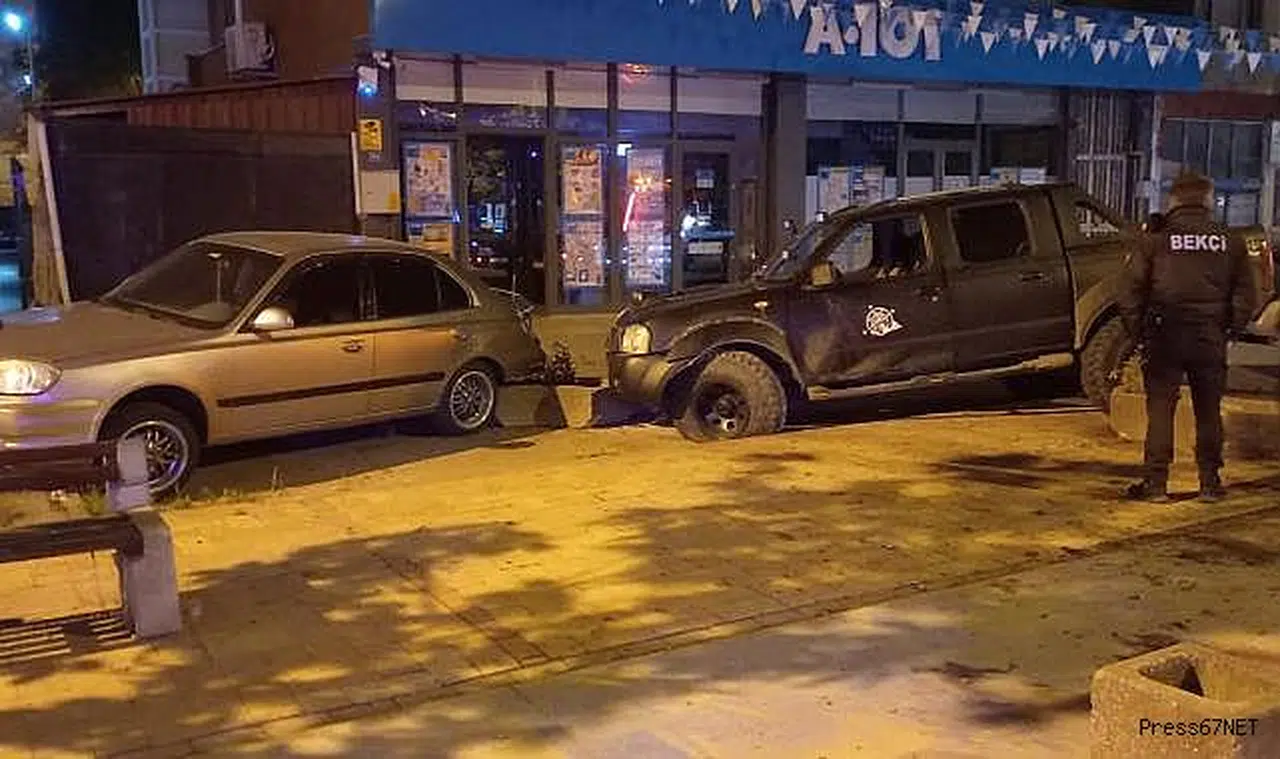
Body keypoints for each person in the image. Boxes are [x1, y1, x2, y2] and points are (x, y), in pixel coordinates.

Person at [1118, 172, 1258, 502]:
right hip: (1209, 335)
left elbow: (1129, 291)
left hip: (1165, 333)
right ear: (1208, 200)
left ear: (1174, 201)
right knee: (1208, 410)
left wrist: (1137, 332)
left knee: (1161, 410)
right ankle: (1209, 482)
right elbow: (1246, 295)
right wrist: (1230, 329)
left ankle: (1155, 484)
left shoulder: (1154, 239)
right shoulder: (1229, 240)